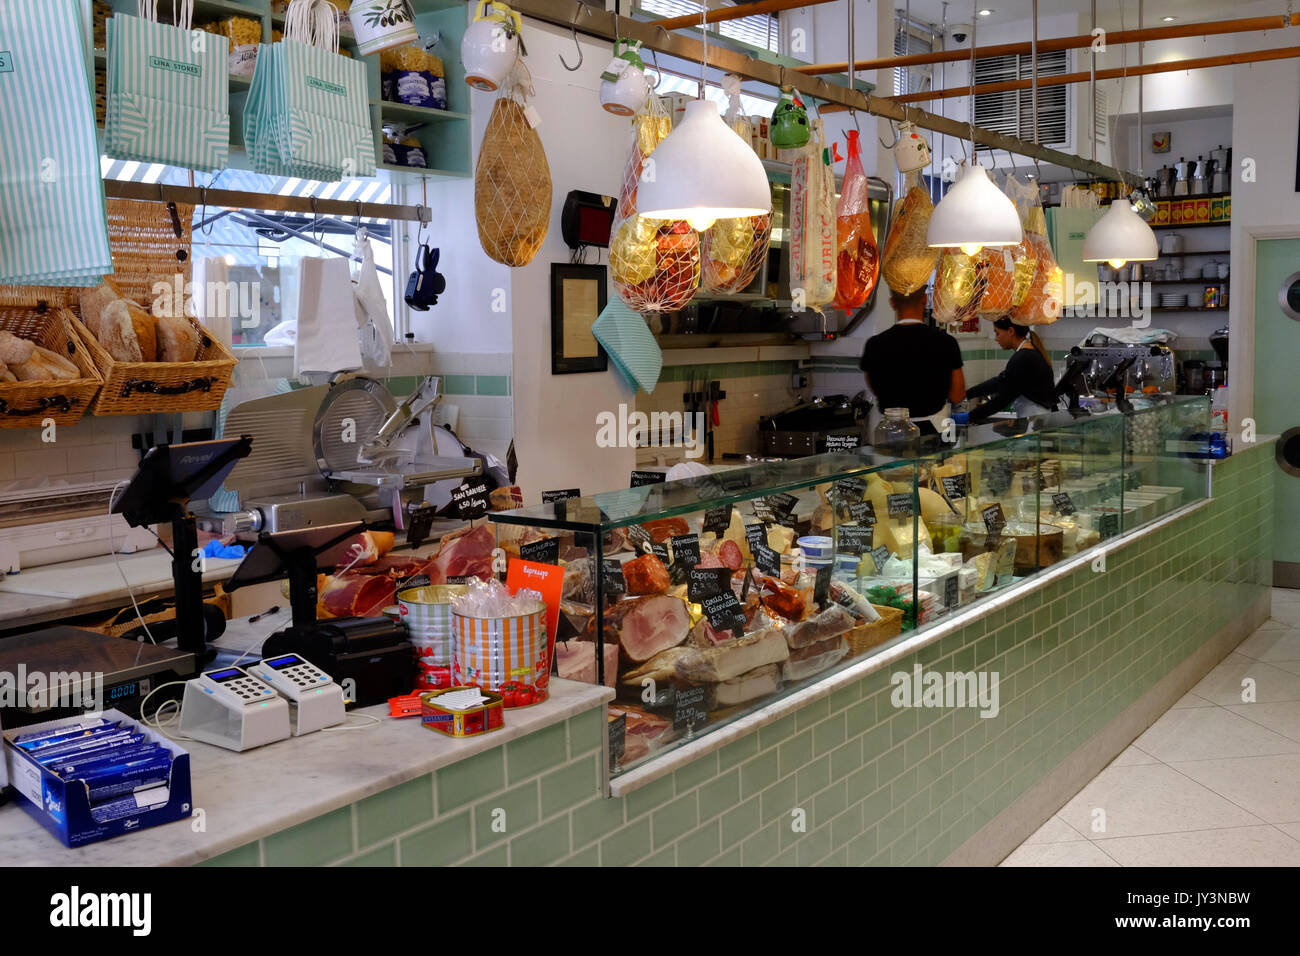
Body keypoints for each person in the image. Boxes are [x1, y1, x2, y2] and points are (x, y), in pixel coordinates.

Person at [859, 288, 966, 436]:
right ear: (924, 299)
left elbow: (873, 386)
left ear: (892, 303)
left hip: (888, 435)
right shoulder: (946, 342)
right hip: (935, 435)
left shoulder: (874, 344)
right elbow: (958, 395)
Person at [953, 316, 1058, 424]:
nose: (996, 338)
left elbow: (1002, 399)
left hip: (1035, 419)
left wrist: (969, 416)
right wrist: (965, 395)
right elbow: (1000, 381)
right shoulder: (1028, 353)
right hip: (1036, 417)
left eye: (997, 333)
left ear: (1011, 331)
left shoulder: (1023, 357)